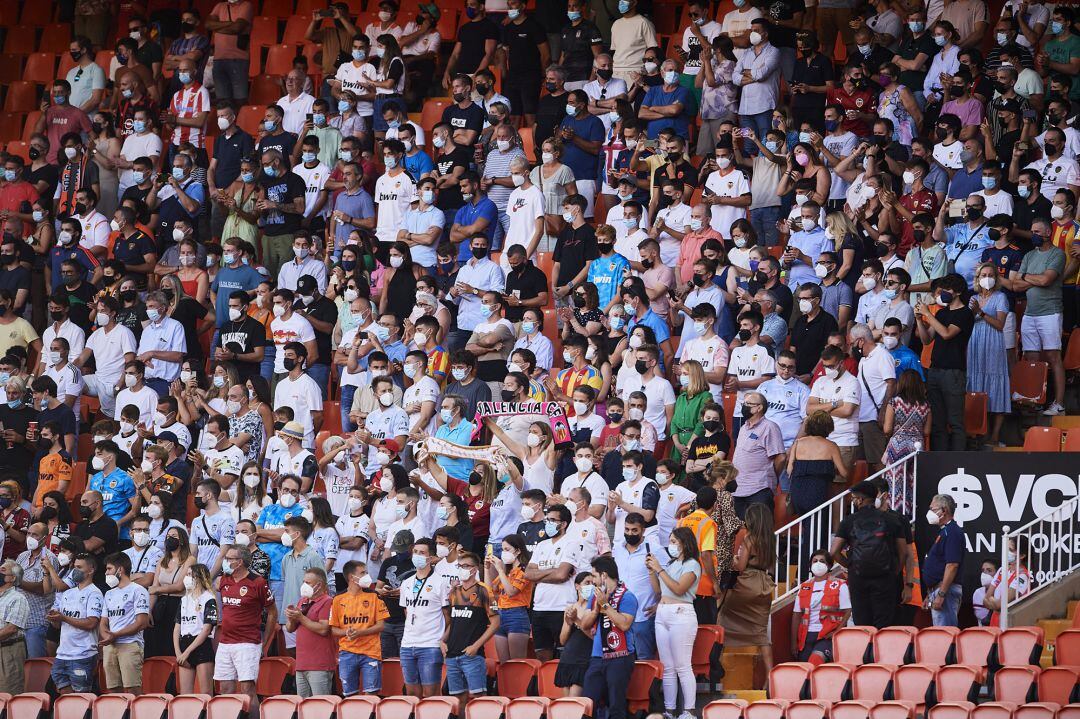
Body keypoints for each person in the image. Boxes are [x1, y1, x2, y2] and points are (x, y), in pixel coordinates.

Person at [829, 481, 906, 629]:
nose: (853, 501)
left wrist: (850, 566)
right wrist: (894, 571)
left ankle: (865, 651)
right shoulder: (891, 520)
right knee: (884, 624)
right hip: (885, 578)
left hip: (858, 578)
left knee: (862, 624)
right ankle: (880, 651)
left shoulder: (849, 521)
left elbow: (834, 552)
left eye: (853, 498)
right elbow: (903, 552)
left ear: (860, 500)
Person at [215, 546, 277, 713]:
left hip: (248, 643)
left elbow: (272, 612)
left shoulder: (258, 582)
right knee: (225, 689)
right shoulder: (223, 580)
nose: (225, 562)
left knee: (247, 690)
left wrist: (265, 643)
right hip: (225, 643)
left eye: (229, 559)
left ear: (240, 562)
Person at [648, 527, 700, 719]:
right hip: (662, 613)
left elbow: (679, 589)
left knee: (683, 665)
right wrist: (652, 572)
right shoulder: (670, 564)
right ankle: (669, 710)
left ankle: (689, 710)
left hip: (681, 613)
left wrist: (659, 569)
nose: (671, 545)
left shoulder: (692, 564)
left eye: (674, 541)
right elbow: (658, 590)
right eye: (670, 541)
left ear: (685, 543)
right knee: (668, 666)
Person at [581, 556, 638, 719]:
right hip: (597, 657)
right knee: (588, 704)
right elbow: (584, 624)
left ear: (604, 575)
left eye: (595, 576)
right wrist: (596, 610)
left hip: (620, 658)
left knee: (616, 707)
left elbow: (625, 624)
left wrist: (606, 605)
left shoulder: (627, 596)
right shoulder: (595, 597)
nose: (593, 581)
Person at [441, 551, 500, 709]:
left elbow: (495, 622)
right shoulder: (454, 592)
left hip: (472, 655)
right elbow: (453, 622)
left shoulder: (484, 591)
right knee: (457, 700)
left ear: (474, 569)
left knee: (479, 698)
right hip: (452, 655)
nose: (461, 569)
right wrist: (442, 641)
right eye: (459, 566)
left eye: (465, 566)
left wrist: (476, 646)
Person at [399, 539, 450, 698]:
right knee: (412, 695)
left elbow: (448, 618)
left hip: (430, 645)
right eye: (415, 552)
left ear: (431, 557)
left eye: (422, 553)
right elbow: (407, 611)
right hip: (407, 645)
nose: (417, 556)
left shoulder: (441, 583)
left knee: (431, 695)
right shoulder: (406, 583)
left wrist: (443, 639)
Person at [47, 552, 103, 694]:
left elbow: (91, 623)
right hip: (62, 654)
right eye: (74, 567)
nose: (74, 571)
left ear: (91, 570)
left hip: (82, 654)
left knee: (82, 698)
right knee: (65, 696)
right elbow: (58, 625)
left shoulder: (94, 593)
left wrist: (64, 618)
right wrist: (54, 619)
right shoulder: (67, 593)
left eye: (79, 567)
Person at [100, 552, 150, 695]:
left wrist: (115, 635)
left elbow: (142, 622)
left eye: (109, 569)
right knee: (112, 689)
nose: (106, 572)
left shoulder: (138, 590)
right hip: (110, 646)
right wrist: (107, 637)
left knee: (132, 689)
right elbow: (103, 622)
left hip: (130, 644)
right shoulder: (109, 593)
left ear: (120, 570)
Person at [881, 370, 931, 514]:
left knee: (895, 482)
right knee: (913, 482)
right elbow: (927, 431)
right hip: (917, 446)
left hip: (898, 445)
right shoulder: (925, 405)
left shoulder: (894, 402)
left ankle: (897, 513)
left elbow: (887, 428)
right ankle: (913, 514)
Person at [790, 548, 851, 664]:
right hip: (806, 637)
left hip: (826, 636)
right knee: (805, 669)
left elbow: (848, 611)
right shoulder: (803, 588)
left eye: (822, 561)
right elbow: (796, 616)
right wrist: (793, 643)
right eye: (815, 561)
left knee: (815, 661)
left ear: (829, 565)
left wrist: (837, 632)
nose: (818, 564)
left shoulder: (839, 585)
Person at [286, 567, 336, 697]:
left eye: (308, 583)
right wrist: (291, 617)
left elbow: (323, 629)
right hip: (301, 663)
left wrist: (301, 617)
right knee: (303, 706)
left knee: (320, 706)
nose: (304, 585)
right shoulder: (303, 601)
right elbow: (290, 628)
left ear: (319, 585)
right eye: (304, 581)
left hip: (319, 664)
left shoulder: (328, 601)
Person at [173, 563, 217, 695]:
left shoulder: (209, 599)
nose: (187, 578)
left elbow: (206, 629)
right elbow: (176, 628)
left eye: (190, 575)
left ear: (199, 577)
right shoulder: (184, 599)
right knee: (185, 694)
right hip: (184, 644)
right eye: (186, 575)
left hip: (201, 645)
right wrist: (178, 653)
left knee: (205, 693)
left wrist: (187, 652)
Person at [922, 494, 965, 627]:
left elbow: (952, 565)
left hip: (946, 592)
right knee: (940, 634)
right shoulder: (945, 531)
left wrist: (941, 594)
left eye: (933, 509)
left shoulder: (952, 532)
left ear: (944, 510)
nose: (930, 513)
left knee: (944, 636)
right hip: (939, 590)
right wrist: (931, 594)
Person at [0, 559, 29, 692]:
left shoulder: (18, 598)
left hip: (9, 650)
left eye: (3, 570)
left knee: (8, 691)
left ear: (12, 578)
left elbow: (11, 628)